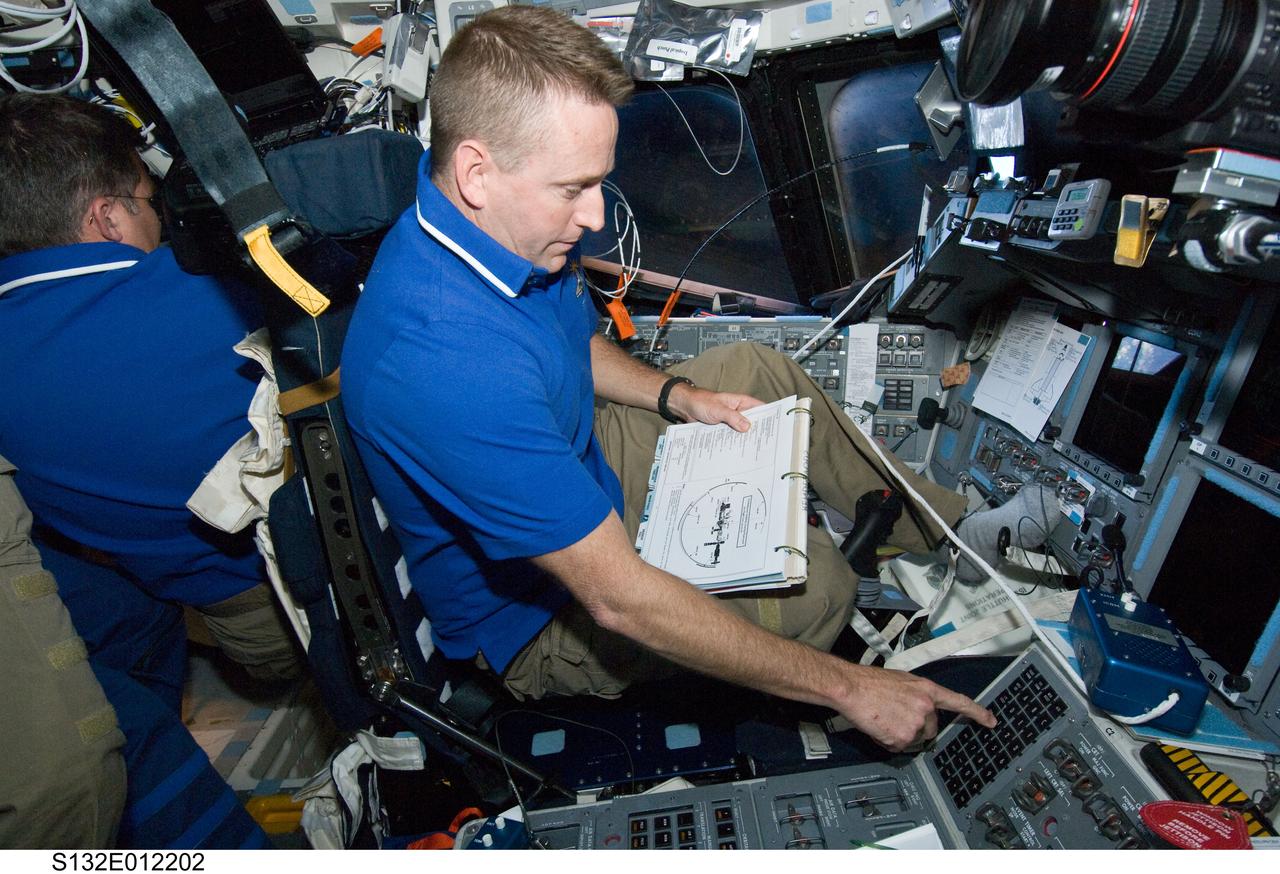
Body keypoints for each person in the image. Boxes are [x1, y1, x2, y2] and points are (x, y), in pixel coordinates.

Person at [343, 6, 1050, 752]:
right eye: (573, 189)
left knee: (756, 372)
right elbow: (620, 602)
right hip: (537, 615)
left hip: (577, 452)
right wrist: (852, 685)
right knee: (821, 590)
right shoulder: (440, 362)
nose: (592, 217)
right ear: (477, 172)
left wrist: (678, 396)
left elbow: (569, 344)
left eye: (600, 184)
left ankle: (944, 533)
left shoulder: (495, 223)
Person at [0, 93, 289, 847]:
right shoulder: (214, 299)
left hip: (230, 623)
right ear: (106, 218)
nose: (158, 223)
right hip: (309, 605)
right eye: (146, 203)